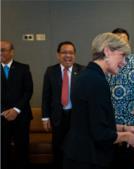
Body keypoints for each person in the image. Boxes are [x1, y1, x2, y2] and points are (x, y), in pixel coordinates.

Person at [63, 32, 134, 169]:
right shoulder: (96, 81)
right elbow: (100, 134)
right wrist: (127, 136)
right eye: (122, 55)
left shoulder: (87, 75)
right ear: (107, 51)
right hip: (88, 159)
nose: (124, 63)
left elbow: (91, 122)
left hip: (78, 155)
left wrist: (124, 127)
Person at [107, 28, 134, 169]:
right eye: (117, 39)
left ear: (128, 42)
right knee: (109, 159)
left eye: (123, 39)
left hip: (131, 120)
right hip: (110, 121)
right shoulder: (106, 62)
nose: (121, 42)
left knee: (128, 161)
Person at [41, 41, 84, 169]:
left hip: (77, 117)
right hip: (58, 116)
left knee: (76, 148)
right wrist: (45, 117)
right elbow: (46, 96)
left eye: (71, 53)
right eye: (64, 52)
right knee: (58, 148)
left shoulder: (82, 70)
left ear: (74, 55)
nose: (68, 55)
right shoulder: (50, 71)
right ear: (58, 55)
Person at [1, 40, 33, 169]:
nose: (0, 52)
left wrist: (15, 110)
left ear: (12, 52)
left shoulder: (23, 68)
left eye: (3, 49)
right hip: (1, 117)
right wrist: (3, 111)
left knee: (22, 151)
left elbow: (28, 91)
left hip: (21, 117)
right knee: (3, 152)